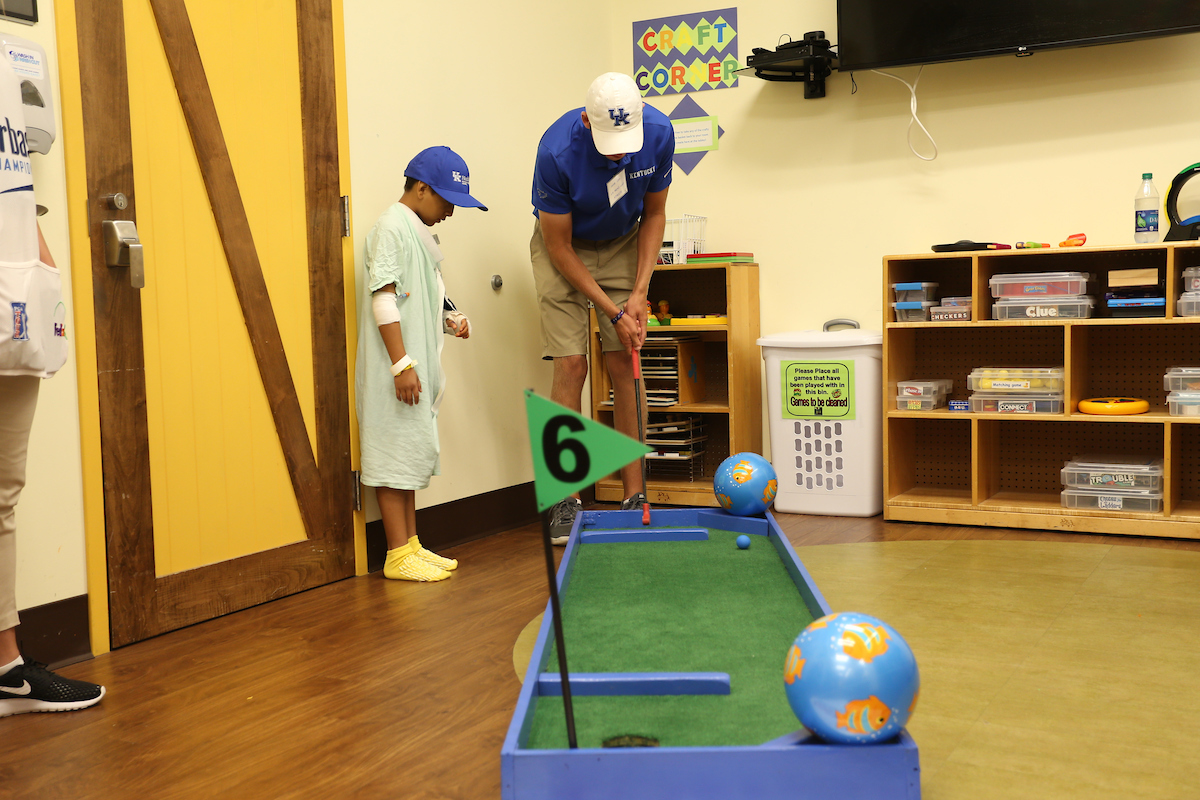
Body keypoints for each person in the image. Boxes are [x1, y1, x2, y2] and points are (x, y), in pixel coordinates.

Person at [0, 55, 105, 715]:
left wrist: (44, 272)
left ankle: (7, 663)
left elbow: (17, 184)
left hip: (13, 305)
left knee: (3, 492)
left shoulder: (11, 78)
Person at [530, 73, 674, 543]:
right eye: (611, 143)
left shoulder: (659, 133)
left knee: (625, 361)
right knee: (571, 364)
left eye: (626, 141)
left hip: (623, 243)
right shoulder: (556, 152)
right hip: (564, 252)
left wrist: (638, 293)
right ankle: (565, 501)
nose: (621, 153)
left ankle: (634, 495)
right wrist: (609, 311)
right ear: (585, 121)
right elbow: (559, 247)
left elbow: (654, 214)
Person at [356, 146, 487, 581]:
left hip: (412, 365)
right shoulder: (391, 229)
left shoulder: (417, 232)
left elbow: (422, 294)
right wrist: (401, 365)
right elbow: (384, 299)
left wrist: (450, 318)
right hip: (397, 367)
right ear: (421, 188)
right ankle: (396, 554)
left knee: (410, 452)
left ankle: (411, 544)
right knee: (394, 455)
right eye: (447, 200)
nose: (451, 211)